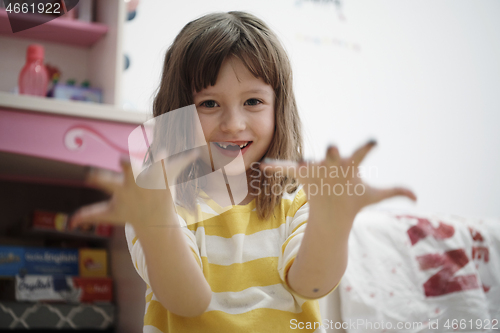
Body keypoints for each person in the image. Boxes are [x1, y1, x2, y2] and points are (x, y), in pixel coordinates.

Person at [70, 11, 417, 333]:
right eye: (209, 104)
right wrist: (154, 220)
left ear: (278, 109)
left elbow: (312, 284)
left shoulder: (297, 199)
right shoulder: (158, 200)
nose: (233, 124)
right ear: (177, 114)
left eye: (253, 102)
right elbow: (186, 302)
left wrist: (332, 220)